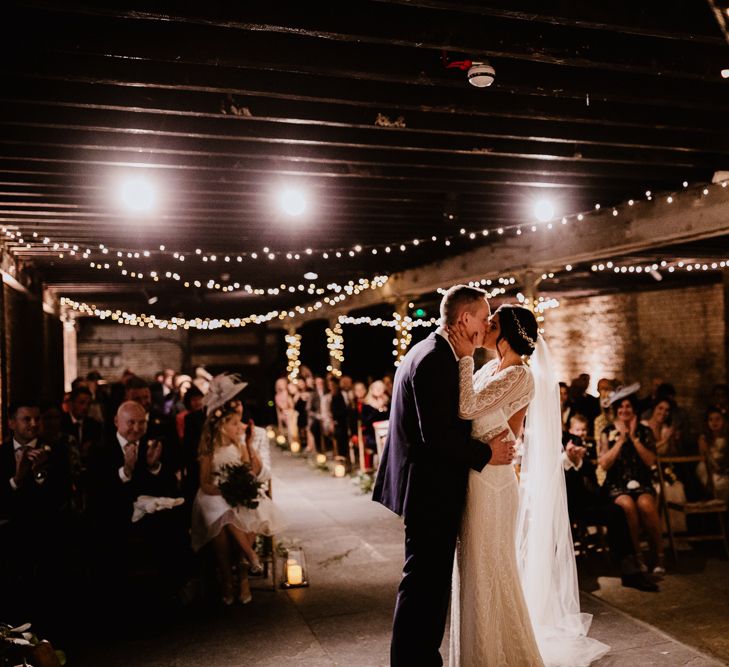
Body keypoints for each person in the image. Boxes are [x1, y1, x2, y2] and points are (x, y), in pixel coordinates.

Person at [448, 304, 609, 666]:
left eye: (493, 323)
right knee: (475, 570)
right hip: (478, 473)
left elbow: (467, 407)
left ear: (506, 334)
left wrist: (463, 357)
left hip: (493, 483)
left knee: (492, 569)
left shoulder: (520, 375)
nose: (485, 326)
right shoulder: (492, 368)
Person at [373, 285, 513, 666]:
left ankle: (417, 657)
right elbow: (435, 435)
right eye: (483, 317)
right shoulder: (436, 359)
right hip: (429, 489)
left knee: (427, 581)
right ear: (464, 318)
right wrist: (487, 452)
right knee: (424, 583)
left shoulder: (433, 351)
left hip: (427, 485)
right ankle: (414, 660)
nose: (487, 325)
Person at [190, 374, 282, 605]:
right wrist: (224, 491)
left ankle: (238, 576)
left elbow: (253, 472)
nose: (239, 426)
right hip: (213, 495)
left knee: (246, 511)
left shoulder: (243, 442)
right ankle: (236, 571)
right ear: (221, 425)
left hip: (235, 494)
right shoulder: (209, 449)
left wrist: (249, 447)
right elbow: (204, 482)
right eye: (233, 423)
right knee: (224, 515)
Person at [563, 415, 657, 591]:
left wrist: (579, 462)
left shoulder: (579, 443)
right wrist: (569, 461)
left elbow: (591, 474)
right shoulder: (555, 442)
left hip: (586, 500)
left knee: (617, 511)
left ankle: (630, 569)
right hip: (564, 505)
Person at [599, 387, 665, 576]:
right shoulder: (607, 432)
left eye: (628, 406)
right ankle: (636, 555)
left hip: (641, 482)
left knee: (645, 504)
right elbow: (603, 463)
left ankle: (659, 553)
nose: (625, 410)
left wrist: (634, 438)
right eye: (621, 407)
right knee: (627, 505)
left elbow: (650, 461)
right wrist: (620, 440)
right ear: (616, 410)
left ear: (634, 409)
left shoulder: (645, 432)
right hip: (616, 485)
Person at [697, 407, 729, 502]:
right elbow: (704, 457)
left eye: (717, 419)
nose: (714, 422)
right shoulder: (704, 438)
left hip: (724, 470)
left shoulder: (726, 439)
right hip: (708, 468)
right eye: (711, 420)